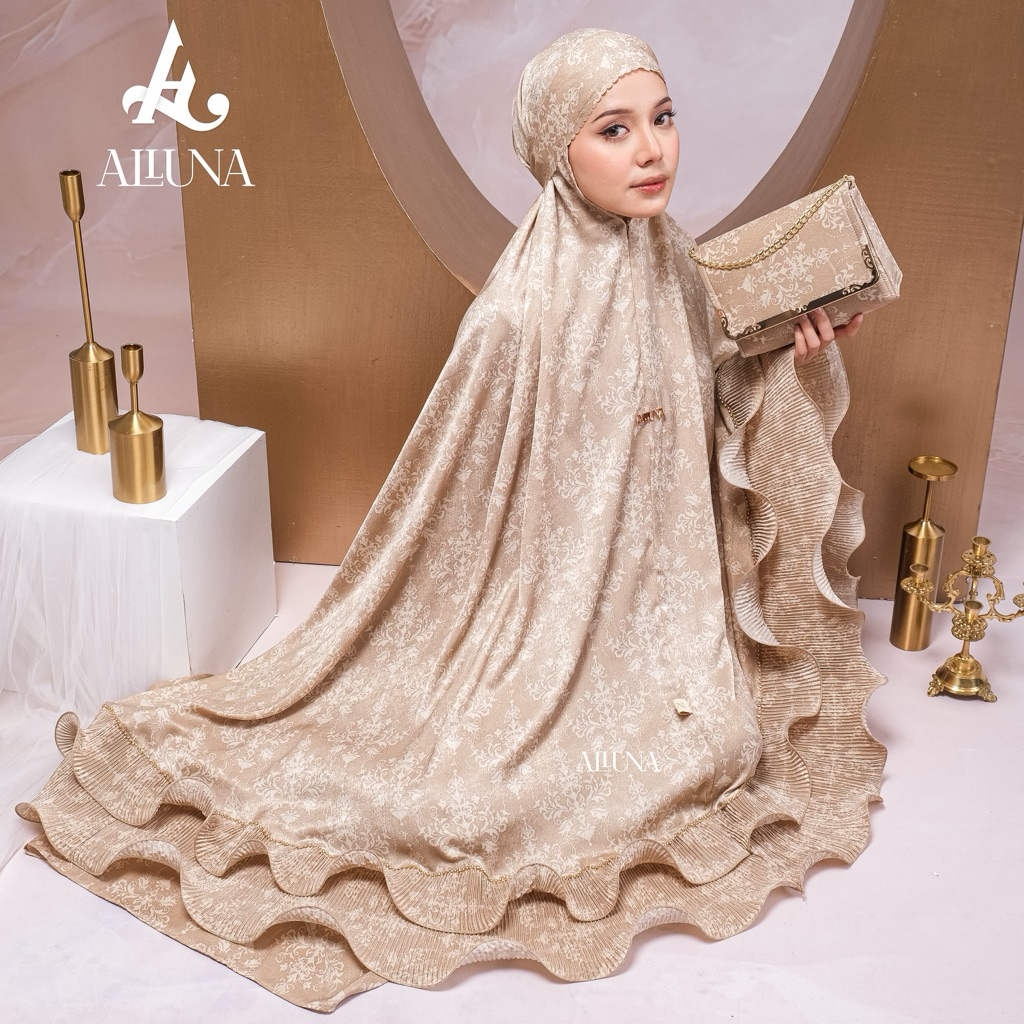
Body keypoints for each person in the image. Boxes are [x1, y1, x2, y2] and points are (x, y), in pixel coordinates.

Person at [16, 28, 885, 1011]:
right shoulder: (516, 316)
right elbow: (452, 502)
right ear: (559, 150)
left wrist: (789, 349)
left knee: (720, 741)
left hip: (657, 608)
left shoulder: (671, 260)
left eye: (663, 118)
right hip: (536, 624)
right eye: (614, 129)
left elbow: (699, 403)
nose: (652, 150)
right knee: (479, 806)